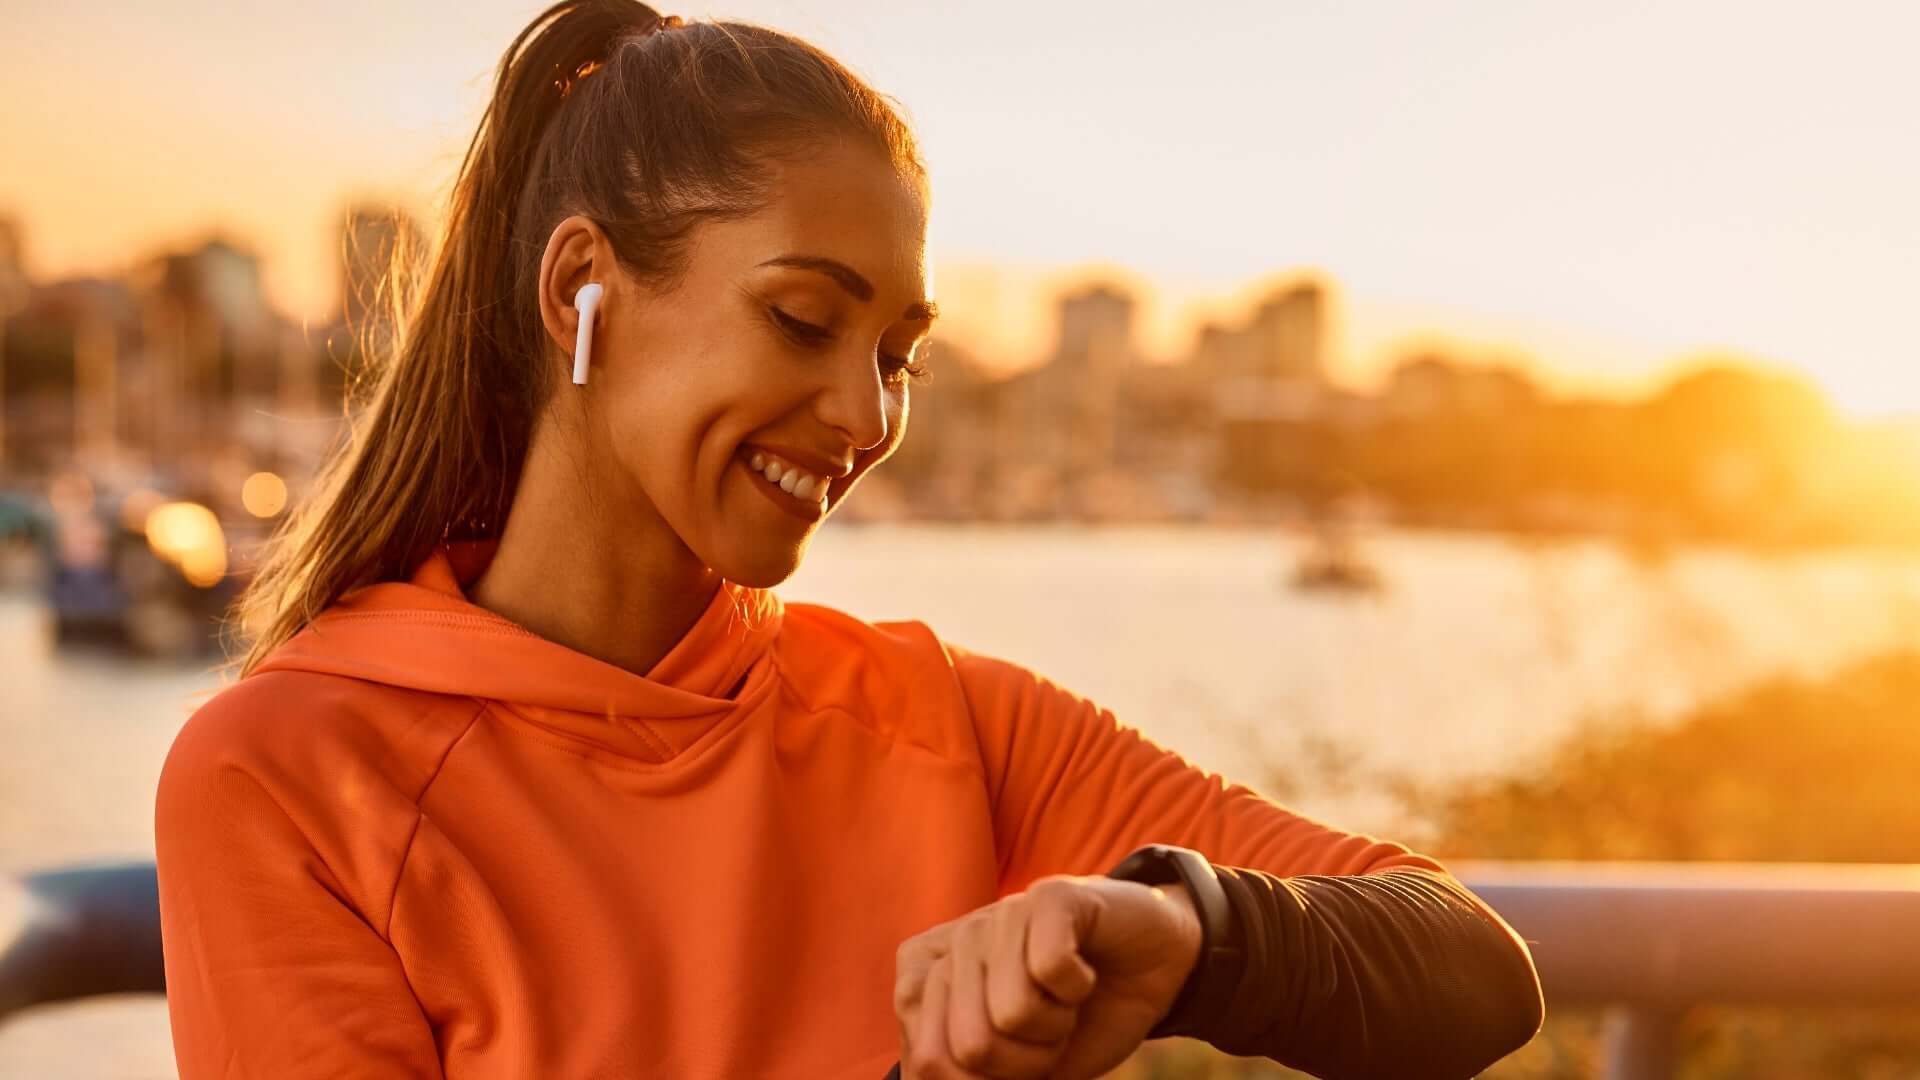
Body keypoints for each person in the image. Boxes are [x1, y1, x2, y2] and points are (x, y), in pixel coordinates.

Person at [152, 2, 1545, 1077]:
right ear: (583, 285)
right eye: (806, 322)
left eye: (898, 356)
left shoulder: (945, 722)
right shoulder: (285, 777)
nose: (863, 413)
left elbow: (1472, 970)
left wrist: (1189, 933)